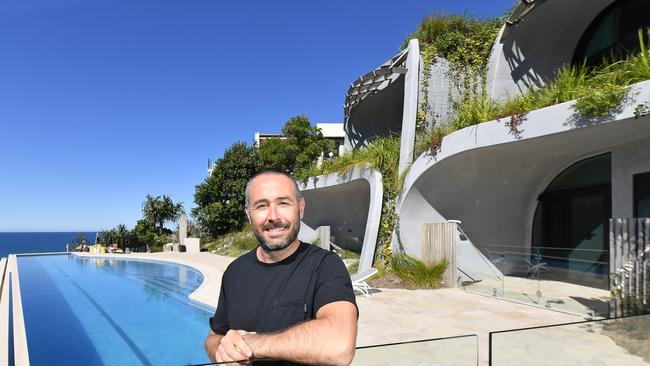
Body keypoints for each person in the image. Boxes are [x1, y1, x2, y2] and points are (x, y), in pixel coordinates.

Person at [204, 170, 358, 366]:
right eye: (261, 205)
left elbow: (339, 346)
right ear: (249, 215)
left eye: (283, 203)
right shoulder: (234, 272)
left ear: (300, 209)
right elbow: (214, 336)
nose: (273, 216)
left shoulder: (325, 266)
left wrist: (251, 345)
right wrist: (222, 349)